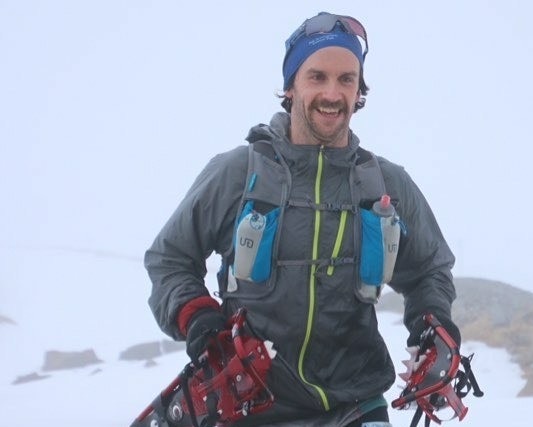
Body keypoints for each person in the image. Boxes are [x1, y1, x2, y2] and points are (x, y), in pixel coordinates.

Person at [145, 11, 460, 427]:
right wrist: (202, 321)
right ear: (291, 86)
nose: (333, 93)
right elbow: (171, 259)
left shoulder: (386, 184)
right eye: (317, 77)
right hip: (248, 401)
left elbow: (429, 271)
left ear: (359, 90)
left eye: (346, 79)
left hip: (354, 401)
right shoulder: (238, 174)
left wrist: (432, 327)